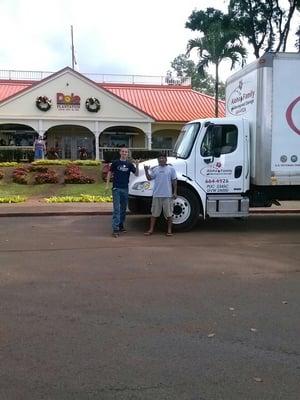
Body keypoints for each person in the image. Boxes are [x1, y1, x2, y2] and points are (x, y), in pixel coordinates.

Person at [106, 147, 139, 237]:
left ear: (127, 154)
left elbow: (136, 174)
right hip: (116, 188)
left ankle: (121, 225)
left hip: (125, 189)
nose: (124, 153)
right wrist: (107, 185)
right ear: (120, 152)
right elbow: (110, 173)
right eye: (123, 151)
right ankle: (115, 229)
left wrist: (137, 165)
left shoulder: (129, 164)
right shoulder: (116, 163)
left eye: (126, 152)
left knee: (123, 209)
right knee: (117, 209)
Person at [144, 153, 177, 236]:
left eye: (163, 158)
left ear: (166, 159)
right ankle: (151, 230)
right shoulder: (155, 169)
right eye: (159, 158)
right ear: (158, 160)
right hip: (156, 195)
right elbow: (149, 178)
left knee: (169, 214)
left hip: (167, 195)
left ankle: (169, 231)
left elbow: (174, 180)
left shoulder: (171, 169)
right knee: (154, 214)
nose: (161, 160)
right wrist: (146, 170)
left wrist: (175, 192)